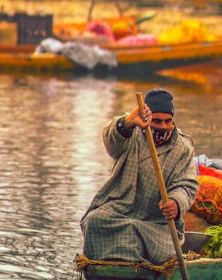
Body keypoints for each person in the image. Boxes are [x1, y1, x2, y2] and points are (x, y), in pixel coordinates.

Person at [80, 88, 199, 266]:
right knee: (94, 221)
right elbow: (110, 139)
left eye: (168, 121)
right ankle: (120, 263)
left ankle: (132, 262)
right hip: (118, 209)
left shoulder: (182, 148)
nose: (164, 127)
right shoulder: (131, 132)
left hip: (156, 222)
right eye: (157, 121)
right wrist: (127, 122)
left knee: (158, 245)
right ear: (148, 120)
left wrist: (175, 202)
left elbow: (187, 185)